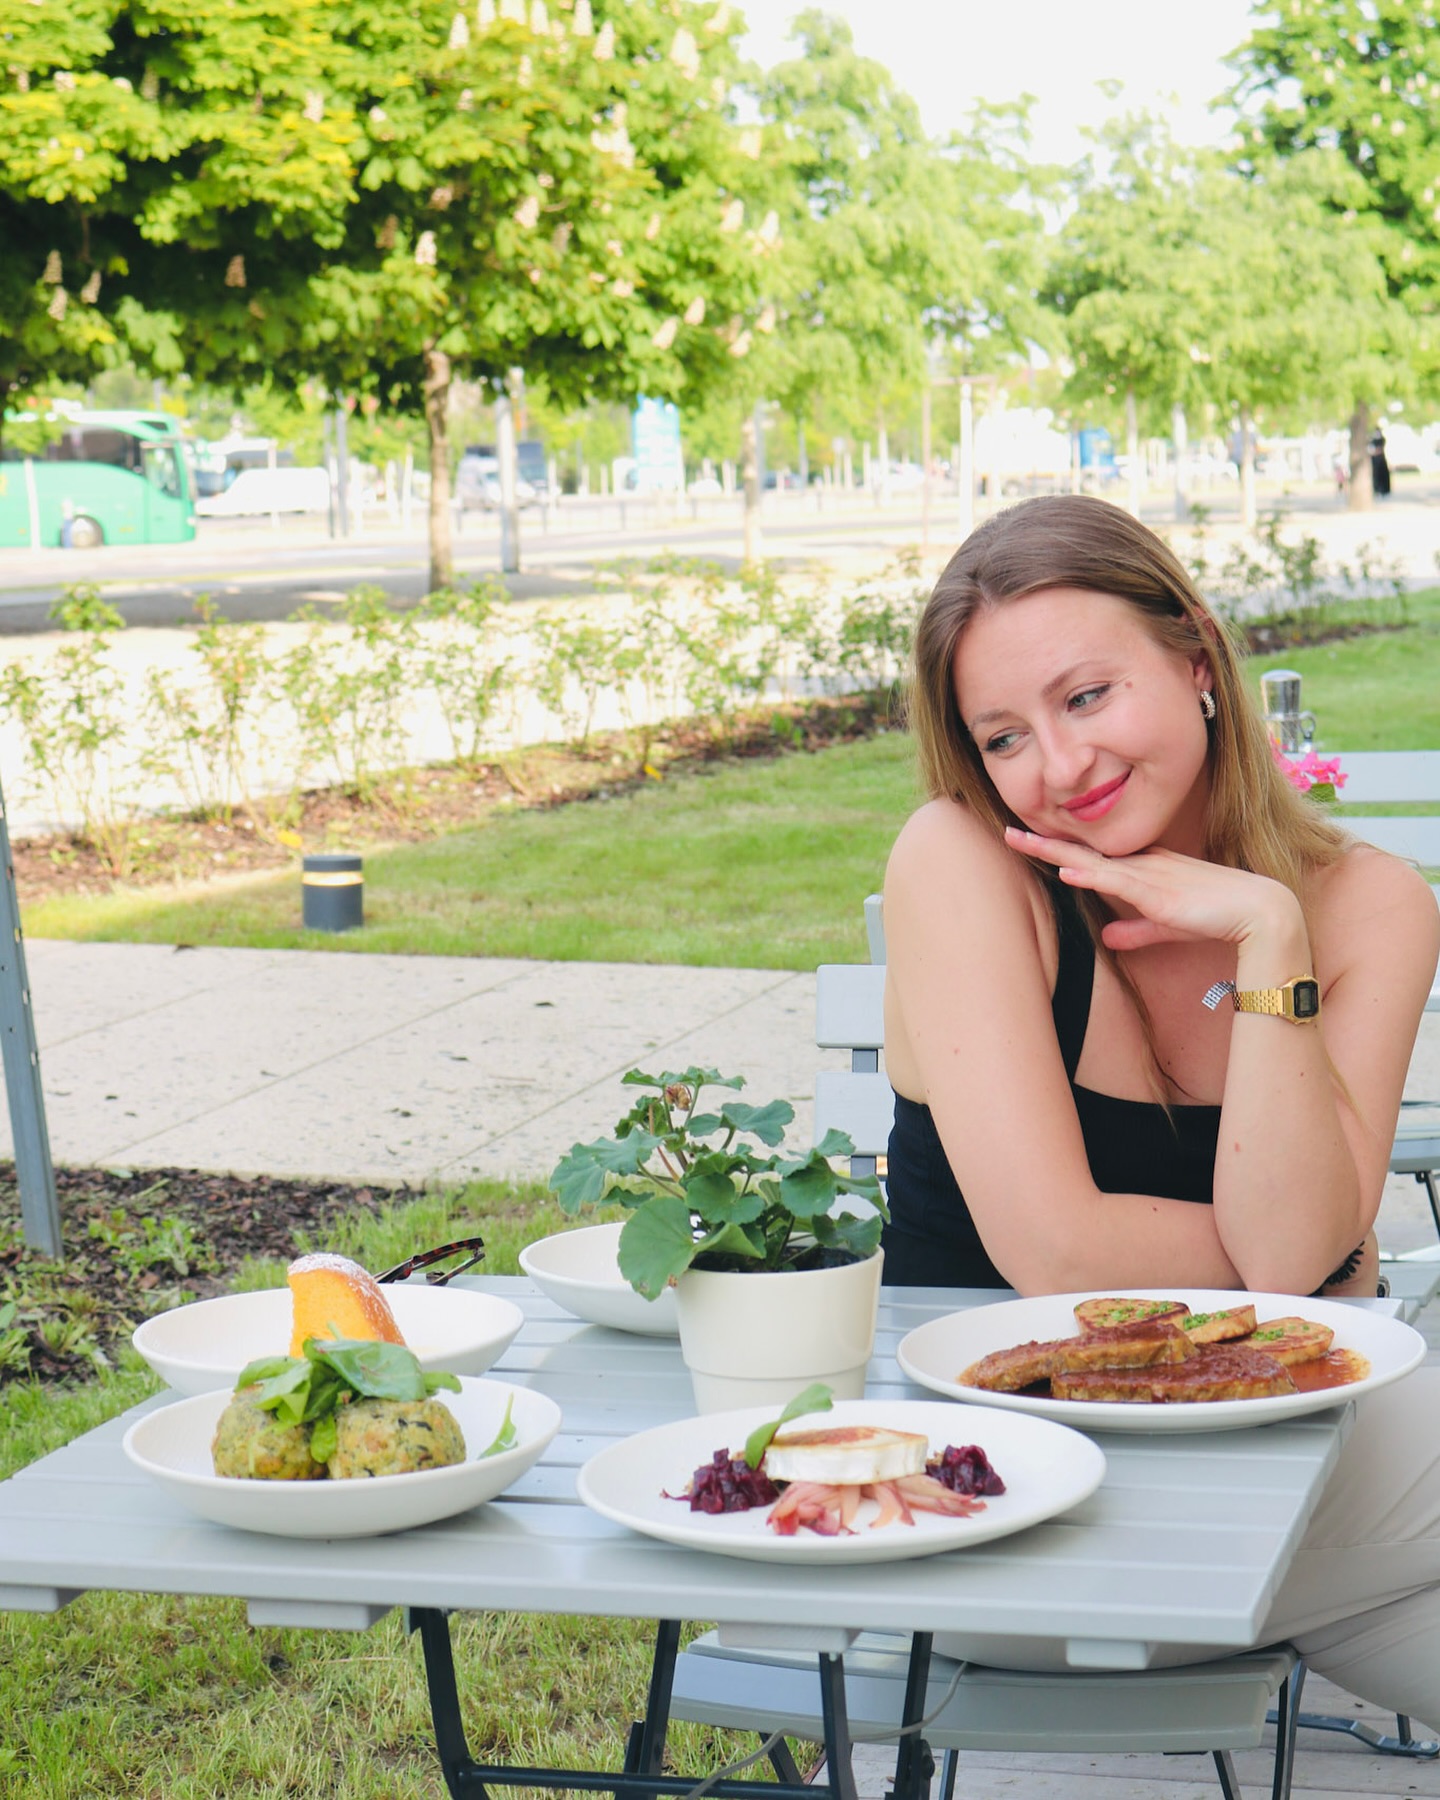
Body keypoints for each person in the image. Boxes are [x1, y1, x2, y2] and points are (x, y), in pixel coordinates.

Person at [880, 494, 1440, 1719]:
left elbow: (1300, 1251)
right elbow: (1065, 1254)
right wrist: (1298, 1285)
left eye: (1085, 698)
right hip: (1009, 1506)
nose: (1060, 768)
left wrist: (1265, 931)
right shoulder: (960, 860)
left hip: (1276, 1482)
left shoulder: (1368, 906)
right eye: (1004, 736)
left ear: (1196, 656)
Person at [1370, 425, 1391, 498]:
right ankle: (1376, 490)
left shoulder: (1382, 439)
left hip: (1381, 459)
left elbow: (1380, 449)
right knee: (1375, 476)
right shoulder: (1372, 440)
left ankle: (1383, 490)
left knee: (1382, 476)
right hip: (1375, 460)